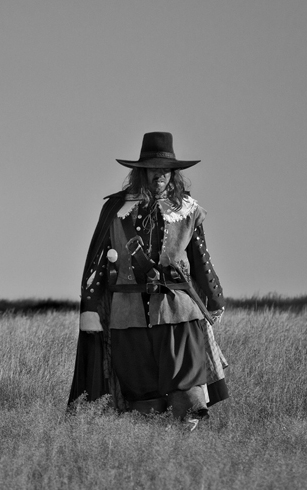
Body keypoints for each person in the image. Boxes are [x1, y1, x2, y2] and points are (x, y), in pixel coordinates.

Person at [67, 132, 228, 427]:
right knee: (140, 390)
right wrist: (91, 307)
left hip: (178, 311)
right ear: (141, 171)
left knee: (187, 384)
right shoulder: (116, 210)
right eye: (153, 168)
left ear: (173, 173)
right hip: (128, 314)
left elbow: (201, 259)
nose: (159, 174)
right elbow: (98, 262)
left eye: (164, 169)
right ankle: (152, 445)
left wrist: (215, 299)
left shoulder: (189, 210)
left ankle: (185, 444)